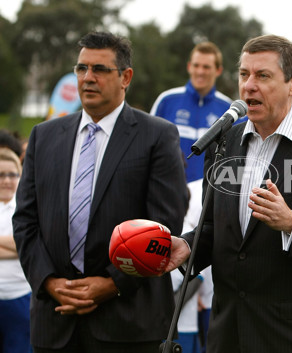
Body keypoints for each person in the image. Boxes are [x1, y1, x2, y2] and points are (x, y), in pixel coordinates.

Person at [166, 34, 292, 353]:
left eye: (263, 76)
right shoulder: (222, 144)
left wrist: (291, 223)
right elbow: (214, 228)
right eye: (244, 74)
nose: (249, 86)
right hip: (229, 335)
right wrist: (186, 246)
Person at [12, 31, 188, 353]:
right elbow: (25, 220)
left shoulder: (157, 136)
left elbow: (164, 224)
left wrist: (110, 284)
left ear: (126, 77)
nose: (87, 78)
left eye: (99, 69)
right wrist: (50, 283)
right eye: (81, 68)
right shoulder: (43, 136)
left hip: (127, 323)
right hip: (55, 321)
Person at [150, 41, 233, 183]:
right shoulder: (166, 100)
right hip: (169, 192)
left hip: (207, 198)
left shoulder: (229, 109)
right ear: (189, 67)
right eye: (196, 65)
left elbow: (233, 160)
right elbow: (148, 148)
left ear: (218, 70)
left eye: (206, 67)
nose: (200, 71)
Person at [0, 147, 31, 353]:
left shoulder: (26, 208)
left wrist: (22, 246)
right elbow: (22, 245)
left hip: (20, 298)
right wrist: (16, 246)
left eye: (13, 174)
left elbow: (30, 244)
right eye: (1, 174)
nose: (7, 180)